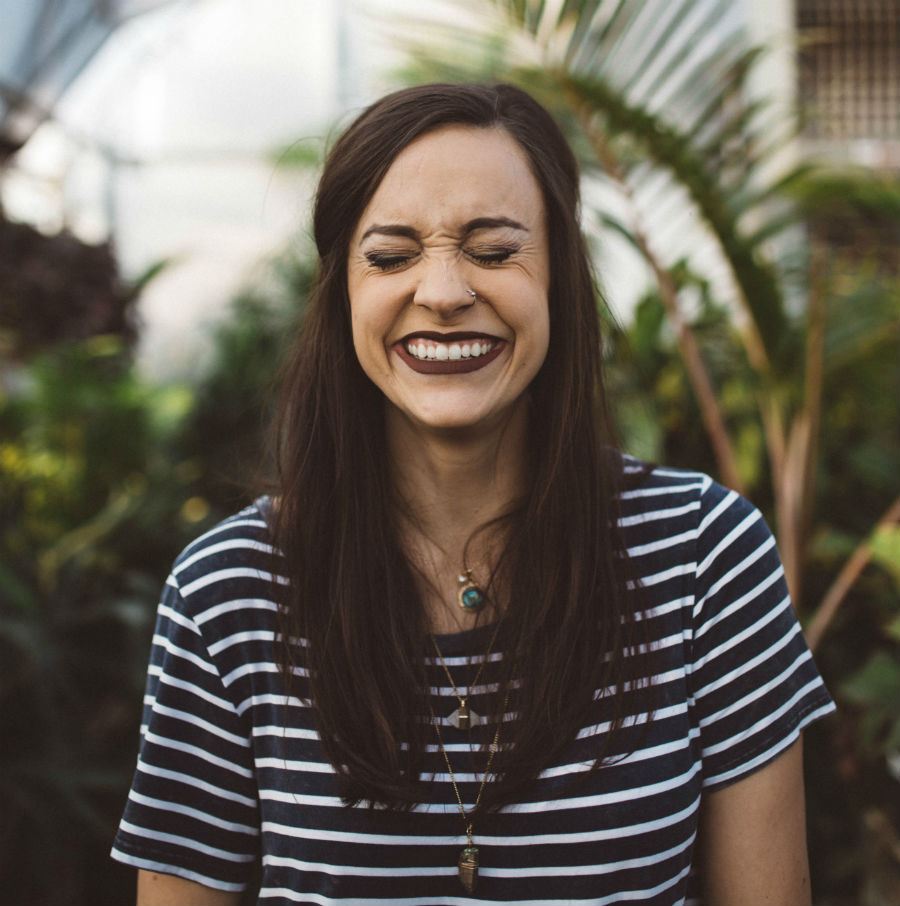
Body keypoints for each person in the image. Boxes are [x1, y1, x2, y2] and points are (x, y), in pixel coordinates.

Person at [112, 83, 834, 905]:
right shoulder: (229, 593)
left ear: (559, 274)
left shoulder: (704, 557)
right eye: (390, 256)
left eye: (493, 251)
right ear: (342, 289)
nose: (444, 292)